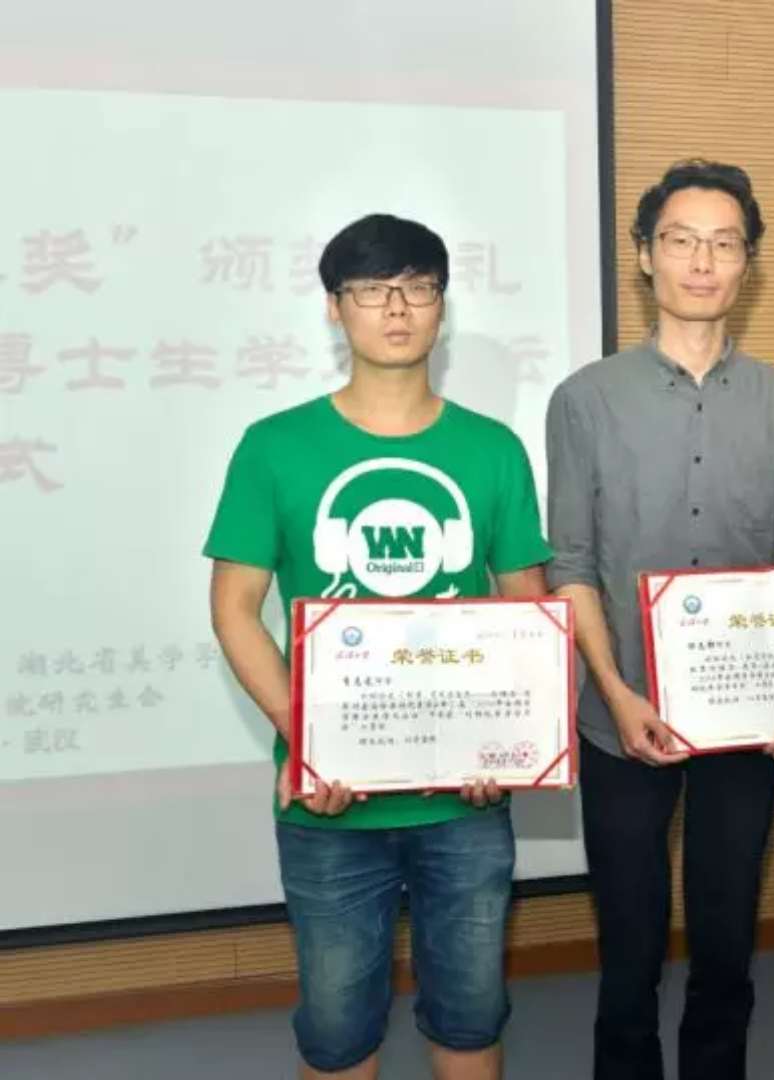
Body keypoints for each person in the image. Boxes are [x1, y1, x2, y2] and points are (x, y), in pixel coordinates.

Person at [206, 212, 552, 1079]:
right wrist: (307, 741)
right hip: (330, 811)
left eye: (417, 287)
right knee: (336, 1033)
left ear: (442, 306)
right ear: (334, 307)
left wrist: (508, 742)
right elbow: (235, 610)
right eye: (370, 289)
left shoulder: (493, 449)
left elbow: (527, 611)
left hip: (464, 805)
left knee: (470, 1020)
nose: (396, 308)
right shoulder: (274, 447)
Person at [544, 159, 774, 1080]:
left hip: (743, 720)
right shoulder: (585, 399)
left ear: (748, 264)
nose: (702, 261)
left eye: (724, 243)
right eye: (681, 240)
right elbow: (571, 563)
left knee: (727, 941)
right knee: (628, 946)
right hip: (620, 717)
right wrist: (614, 692)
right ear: (644, 256)